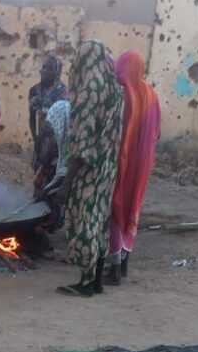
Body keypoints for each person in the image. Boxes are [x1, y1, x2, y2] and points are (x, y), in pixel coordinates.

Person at [56, 41, 124, 298]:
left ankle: (85, 282)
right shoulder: (115, 89)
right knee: (99, 221)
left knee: (83, 221)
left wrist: (66, 182)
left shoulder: (89, 92)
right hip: (107, 168)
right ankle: (96, 281)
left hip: (88, 170)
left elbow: (83, 144)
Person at [107, 51, 161, 284]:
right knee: (132, 209)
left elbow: (112, 133)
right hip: (142, 165)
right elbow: (157, 132)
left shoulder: (121, 95)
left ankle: (114, 270)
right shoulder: (151, 95)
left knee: (115, 209)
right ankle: (125, 263)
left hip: (121, 163)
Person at [33, 98, 71, 230]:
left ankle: (53, 223)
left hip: (60, 171)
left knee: (54, 198)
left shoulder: (71, 140)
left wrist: (46, 190)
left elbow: (64, 174)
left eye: (52, 126)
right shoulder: (52, 126)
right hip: (50, 166)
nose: (50, 128)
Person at [28, 55, 68, 165]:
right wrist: (35, 139)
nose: (45, 71)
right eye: (43, 67)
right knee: (39, 171)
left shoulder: (63, 92)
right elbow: (32, 118)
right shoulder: (34, 91)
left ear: (58, 72)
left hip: (58, 143)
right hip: (41, 141)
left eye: (50, 69)